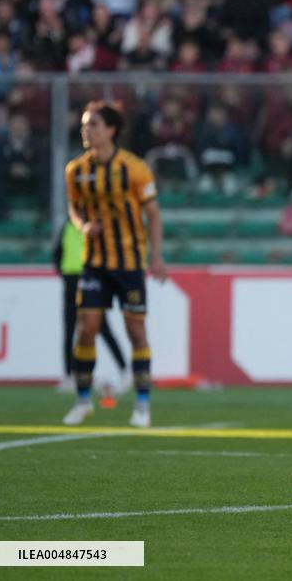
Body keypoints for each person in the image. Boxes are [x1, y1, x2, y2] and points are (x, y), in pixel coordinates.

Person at [61, 101, 167, 428]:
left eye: (92, 124)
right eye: (83, 124)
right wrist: (82, 227)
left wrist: (157, 256)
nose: (86, 130)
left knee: (136, 331)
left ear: (111, 130)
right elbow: (74, 209)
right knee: (87, 329)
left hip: (129, 262)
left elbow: (152, 214)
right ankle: (82, 401)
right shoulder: (76, 170)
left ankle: (143, 406)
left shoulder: (134, 169)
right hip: (93, 262)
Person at [53, 220, 128, 401]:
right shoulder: (67, 226)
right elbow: (57, 253)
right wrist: (63, 273)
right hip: (71, 282)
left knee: (102, 328)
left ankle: (125, 370)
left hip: (90, 280)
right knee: (70, 328)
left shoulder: (95, 225)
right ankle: (69, 376)